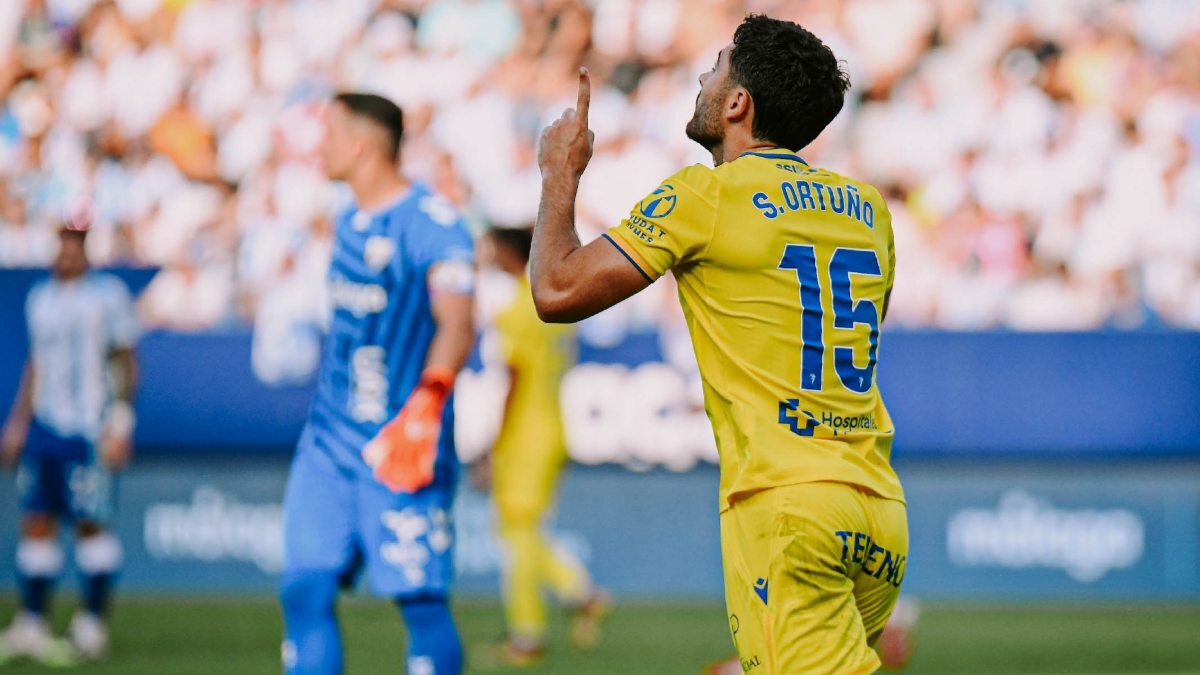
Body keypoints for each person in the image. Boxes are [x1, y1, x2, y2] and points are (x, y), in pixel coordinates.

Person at [531, 14, 907, 674]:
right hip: (878, 509)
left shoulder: (705, 196)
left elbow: (557, 290)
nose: (702, 81)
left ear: (738, 104)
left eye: (714, 70)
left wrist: (561, 173)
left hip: (787, 506)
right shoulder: (868, 209)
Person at [278, 93, 475, 675]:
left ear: (361, 145)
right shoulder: (346, 219)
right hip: (328, 443)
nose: (320, 147)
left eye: (330, 134)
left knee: (420, 601)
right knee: (304, 590)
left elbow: (458, 324)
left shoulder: (433, 224)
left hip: (400, 444)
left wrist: (427, 406)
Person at [0, 223, 140, 665]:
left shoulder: (108, 295)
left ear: (86, 251)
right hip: (45, 426)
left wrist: (120, 423)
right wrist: (18, 423)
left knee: (90, 522)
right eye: (62, 245)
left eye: (75, 246)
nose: (67, 254)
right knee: (36, 520)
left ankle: (92, 624)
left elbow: (126, 359)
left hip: (88, 428)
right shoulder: (40, 297)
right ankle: (32, 623)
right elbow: (36, 364)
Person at [474, 227, 607, 665]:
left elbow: (514, 380)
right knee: (524, 532)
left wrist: (495, 442)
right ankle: (578, 593)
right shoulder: (551, 299)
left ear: (508, 253)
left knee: (518, 536)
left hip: (525, 435)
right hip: (552, 425)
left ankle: (528, 634)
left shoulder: (516, 309)